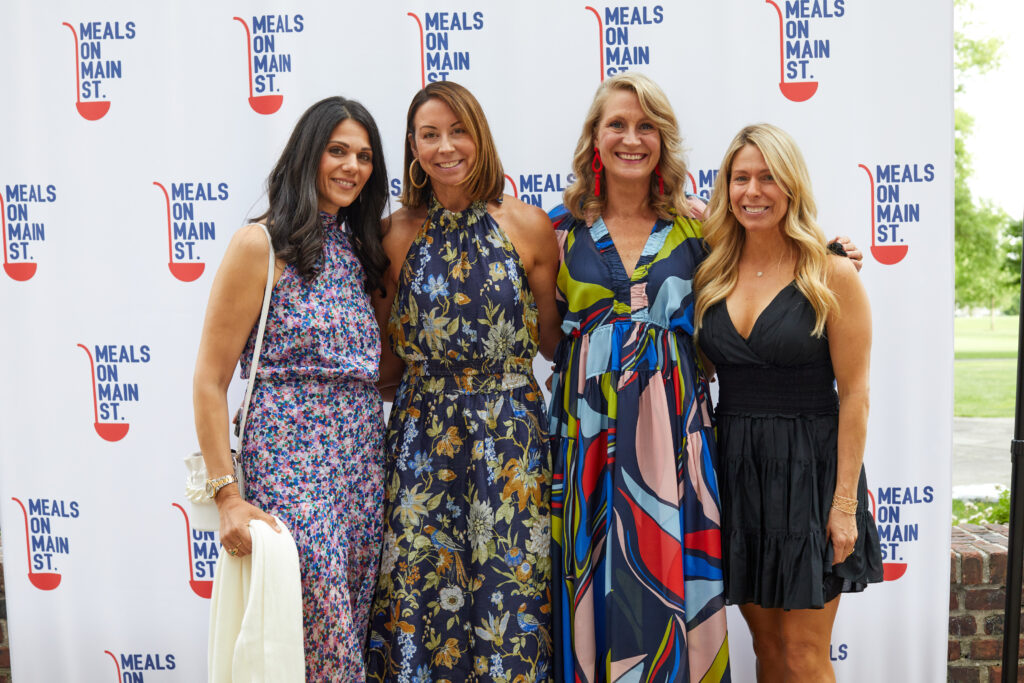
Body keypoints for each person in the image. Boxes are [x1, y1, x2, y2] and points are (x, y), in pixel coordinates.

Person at [364, 81, 562, 681]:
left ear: (481, 135)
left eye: (458, 131)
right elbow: (385, 362)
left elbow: (555, 341)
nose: (445, 147)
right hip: (423, 443)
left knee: (512, 595)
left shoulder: (528, 226)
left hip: (511, 443)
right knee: (421, 595)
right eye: (430, 135)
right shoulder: (393, 234)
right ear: (413, 147)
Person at [193, 96, 390, 680]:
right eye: (337, 150)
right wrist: (226, 495)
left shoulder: (362, 250)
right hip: (288, 463)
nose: (351, 166)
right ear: (308, 154)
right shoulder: (261, 244)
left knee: (347, 629)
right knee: (308, 626)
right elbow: (209, 378)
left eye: (363, 155)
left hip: (360, 468)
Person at [547, 72, 731, 682]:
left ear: (663, 139)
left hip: (673, 435)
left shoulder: (699, 227)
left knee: (667, 574)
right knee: (589, 571)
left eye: (646, 125)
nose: (632, 138)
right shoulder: (556, 229)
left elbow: (773, 261)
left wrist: (831, 252)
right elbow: (547, 336)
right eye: (617, 125)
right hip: (587, 433)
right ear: (594, 139)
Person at [693, 123, 882, 681]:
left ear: (792, 185)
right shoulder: (712, 268)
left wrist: (843, 505)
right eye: (741, 178)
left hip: (811, 474)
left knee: (804, 654)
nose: (753, 191)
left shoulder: (831, 272)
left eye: (768, 177)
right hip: (737, 470)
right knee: (767, 651)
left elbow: (856, 396)